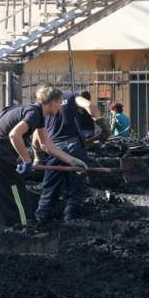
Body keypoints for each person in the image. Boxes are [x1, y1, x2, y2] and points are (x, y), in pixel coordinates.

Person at [0, 85, 88, 232]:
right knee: (15, 189)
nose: (61, 107)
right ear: (53, 102)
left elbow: (45, 144)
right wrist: (27, 160)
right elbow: (14, 135)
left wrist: (72, 161)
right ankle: (23, 227)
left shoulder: (35, 113)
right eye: (60, 103)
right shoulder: (34, 113)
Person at [34, 91, 96, 224]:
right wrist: (101, 123)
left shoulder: (41, 108)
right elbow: (90, 106)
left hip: (54, 149)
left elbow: (36, 139)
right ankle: (70, 221)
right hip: (75, 148)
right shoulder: (71, 96)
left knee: (49, 188)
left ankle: (41, 220)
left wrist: (38, 157)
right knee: (76, 188)